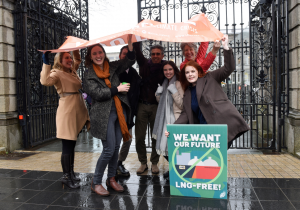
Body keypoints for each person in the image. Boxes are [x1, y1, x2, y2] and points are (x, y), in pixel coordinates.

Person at [165, 35, 250, 149]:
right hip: (205, 134)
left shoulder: (211, 78)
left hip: (221, 128)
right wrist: (172, 128)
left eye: (192, 71)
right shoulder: (188, 92)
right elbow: (185, 114)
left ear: (198, 71)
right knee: (210, 163)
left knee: (217, 161)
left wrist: (225, 47)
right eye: (187, 72)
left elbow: (228, 68)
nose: (190, 74)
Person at [83, 35, 135, 196]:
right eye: (94, 54)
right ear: (90, 57)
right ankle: (96, 181)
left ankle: (111, 178)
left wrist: (131, 46)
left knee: (116, 147)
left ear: (104, 53)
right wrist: (117, 89)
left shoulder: (112, 67)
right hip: (103, 115)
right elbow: (97, 94)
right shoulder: (88, 74)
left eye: (100, 52)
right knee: (108, 149)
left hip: (119, 112)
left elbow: (129, 61)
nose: (98, 56)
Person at [40, 50, 90, 189]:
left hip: (76, 110)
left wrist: (75, 49)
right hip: (67, 112)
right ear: (60, 60)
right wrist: (45, 62)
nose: (70, 60)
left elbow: (78, 60)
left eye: (70, 57)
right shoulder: (57, 72)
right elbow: (45, 81)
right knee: (67, 146)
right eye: (66, 58)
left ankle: (71, 173)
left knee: (72, 145)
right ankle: (66, 177)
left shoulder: (71, 70)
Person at [133, 42, 165, 175]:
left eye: (158, 54)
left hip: (156, 106)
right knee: (139, 137)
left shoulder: (165, 66)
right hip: (142, 105)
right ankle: (143, 163)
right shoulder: (144, 64)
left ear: (162, 55)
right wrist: (137, 36)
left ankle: (154, 163)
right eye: (153, 54)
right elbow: (137, 50)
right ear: (150, 55)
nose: (155, 56)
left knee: (155, 137)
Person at [153, 61, 184, 178]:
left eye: (170, 69)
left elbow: (182, 105)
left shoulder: (179, 83)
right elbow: (162, 103)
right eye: (165, 70)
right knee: (164, 146)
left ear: (174, 70)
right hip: (163, 120)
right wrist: (158, 94)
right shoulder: (165, 83)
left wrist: (174, 91)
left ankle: (176, 170)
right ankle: (173, 168)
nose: (168, 72)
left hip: (175, 120)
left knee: (173, 147)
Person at [117, 45, 142, 176]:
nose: (126, 56)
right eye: (124, 54)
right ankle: (112, 166)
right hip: (115, 111)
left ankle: (119, 163)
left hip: (129, 112)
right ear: (120, 55)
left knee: (128, 139)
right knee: (114, 141)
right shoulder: (114, 71)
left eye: (128, 54)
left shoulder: (133, 72)